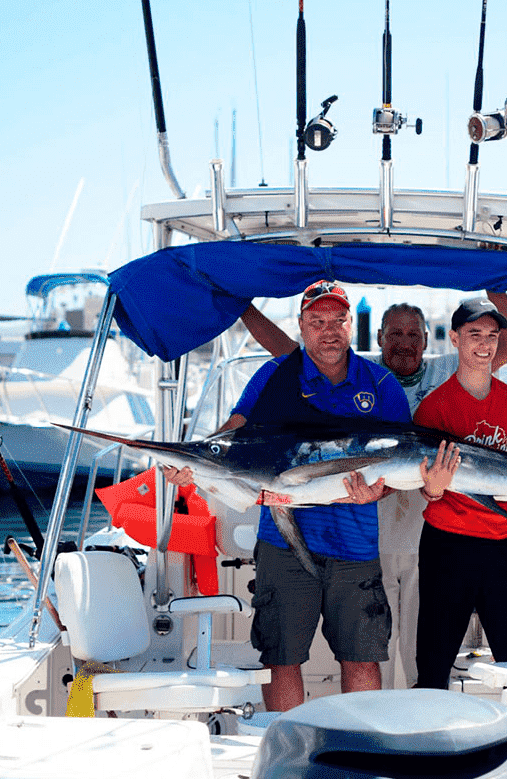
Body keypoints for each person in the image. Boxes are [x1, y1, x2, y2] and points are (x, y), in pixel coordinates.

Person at [240, 291, 507, 689]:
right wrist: (241, 304)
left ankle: (415, 718)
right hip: (374, 532)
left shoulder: (443, 371)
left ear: (428, 339)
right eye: (394, 334)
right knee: (372, 651)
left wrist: (497, 283)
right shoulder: (360, 370)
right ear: (378, 338)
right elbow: (294, 352)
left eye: (413, 334)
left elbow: (500, 347)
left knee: (418, 650)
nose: (404, 342)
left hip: (423, 530)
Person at [166, 280, 411, 711]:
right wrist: (195, 463)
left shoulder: (381, 384)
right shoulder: (274, 375)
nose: (328, 330)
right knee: (281, 658)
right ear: (301, 325)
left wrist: (380, 490)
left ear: (351, 325)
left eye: (338, 320)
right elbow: (234, 433)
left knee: (362, 658)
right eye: (317, 321)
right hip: (282, 542)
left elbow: (400, 461)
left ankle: (361, 748)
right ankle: (287, 747)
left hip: (355, 545)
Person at [412, 297, 507, 736]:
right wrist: (434, 488)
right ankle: (430, 746)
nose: (485, 344)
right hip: (447, 545)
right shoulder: (433, 408)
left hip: (502, 546)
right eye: (474, 334)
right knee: (433, 663)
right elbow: (425, 488)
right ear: (455, 339)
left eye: (492, 336)